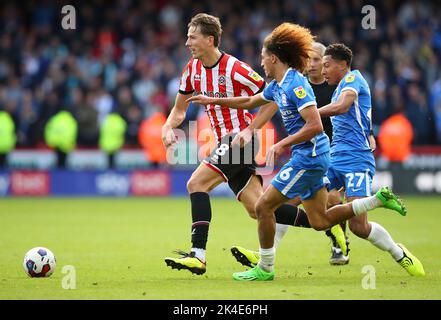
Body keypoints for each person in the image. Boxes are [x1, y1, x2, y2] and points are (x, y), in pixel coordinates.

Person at [188, 23, 414, 281]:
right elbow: (251, 101)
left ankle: (265, 267)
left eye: (263, 58)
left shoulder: (297, 85)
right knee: (319, 220)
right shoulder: (278, 85)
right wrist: (213, 100)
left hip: (310, 157)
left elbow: (315, 125)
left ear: (274, 58)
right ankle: (375, 201)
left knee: (263, 206)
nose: (261, 63)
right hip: (310, 157)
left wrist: (282, 143)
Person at [161, 14, 344, 276]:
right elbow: (179, 110)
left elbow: (272, 97)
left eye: (192, 36)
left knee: (196, 184)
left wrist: (249, 129)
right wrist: (168, 127)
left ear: (209, 39)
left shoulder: (236, 68)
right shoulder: (191, 70)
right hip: (226, 142)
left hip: (239, 140)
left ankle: (197, 255)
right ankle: (326, 224)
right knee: (258, 209)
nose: (187, 41)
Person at [318, 43, 424, 277]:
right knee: (321, 201)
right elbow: (360, 116)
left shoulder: (352, 80)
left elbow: (343, 107)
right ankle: (336, 239)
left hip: (356, 159)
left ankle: (398, 252)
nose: (323, 71)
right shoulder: (339, 87)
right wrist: (369, 133)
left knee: (359, 227)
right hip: (335, 156)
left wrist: (311, 112)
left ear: (343, 65)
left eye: (327, 65)